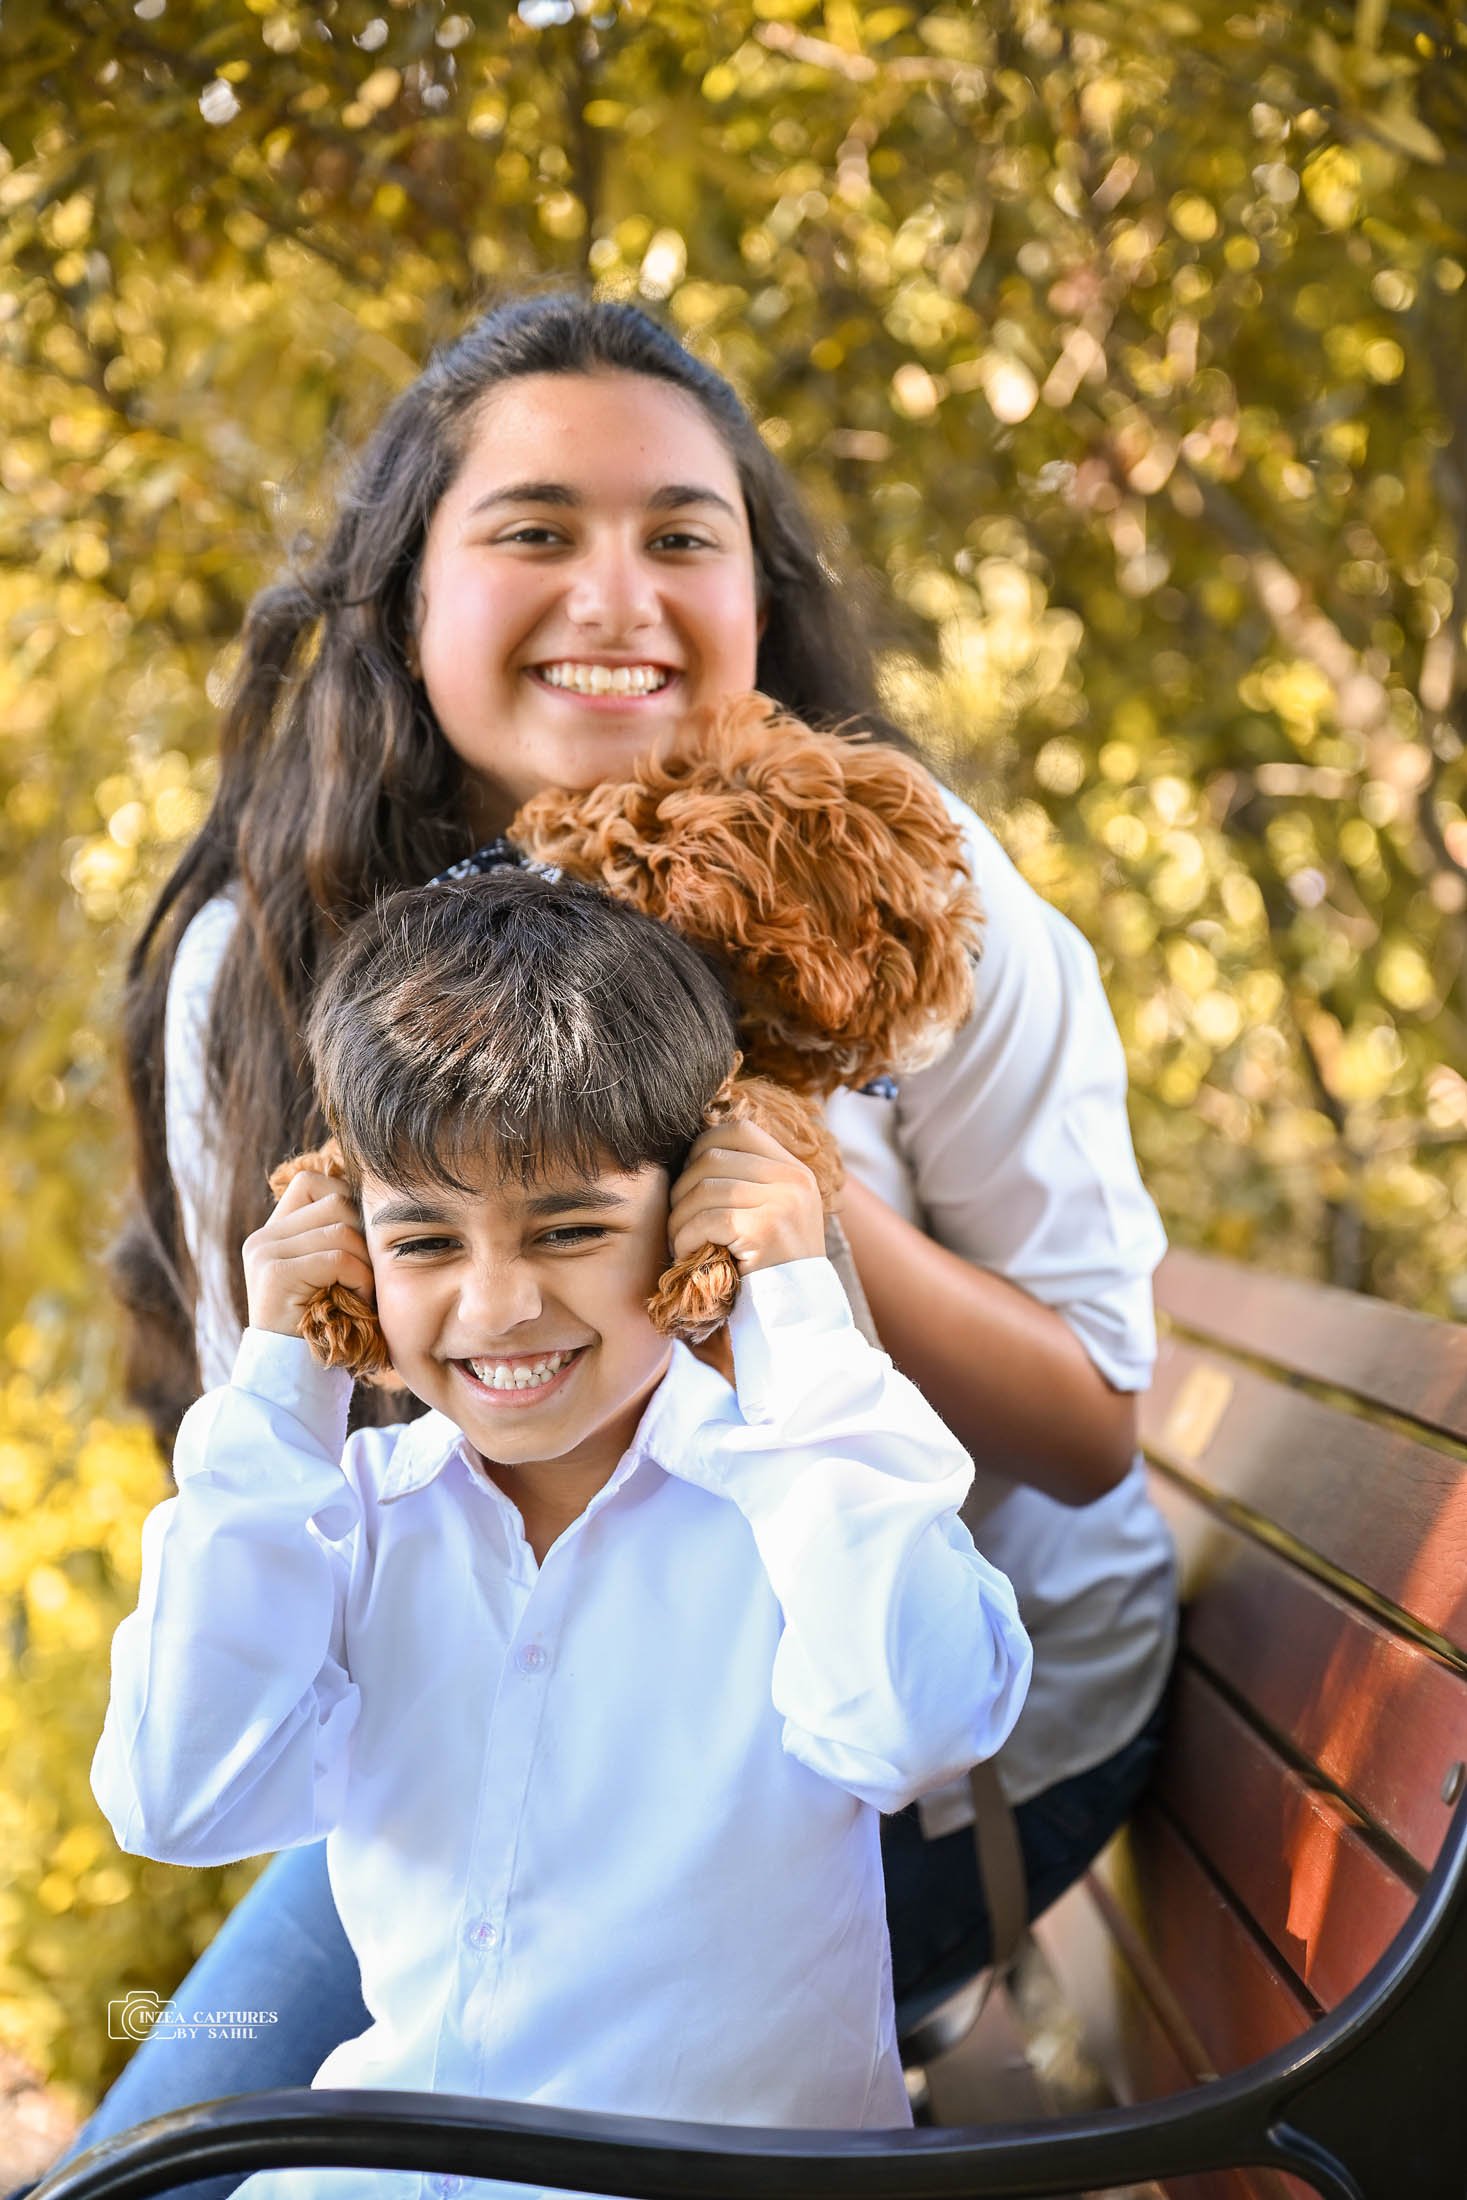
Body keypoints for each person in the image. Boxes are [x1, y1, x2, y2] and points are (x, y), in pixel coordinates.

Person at [70, 291, 1172, 2187]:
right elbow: (314, 1515)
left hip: (925, 1736)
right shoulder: (257, 974)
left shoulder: (910, 893)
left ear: (760, 588)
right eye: (533, 532)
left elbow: (1087, 1427)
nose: (617, 595)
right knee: (156, 2145)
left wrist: (784, 1185)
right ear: (409, 589)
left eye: (683, 533)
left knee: (498, 2124)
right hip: (504, 1712)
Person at [92, 871, 1034, 2200]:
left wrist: (790, 1306)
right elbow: (181, 1797)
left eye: (571, 1228)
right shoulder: (348, 1522)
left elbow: (924, 1720)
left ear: (696, 1211)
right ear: (351, 1245)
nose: (498, 1304)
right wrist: (277, 1382)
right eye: (422, 1239)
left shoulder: (799, 1505)